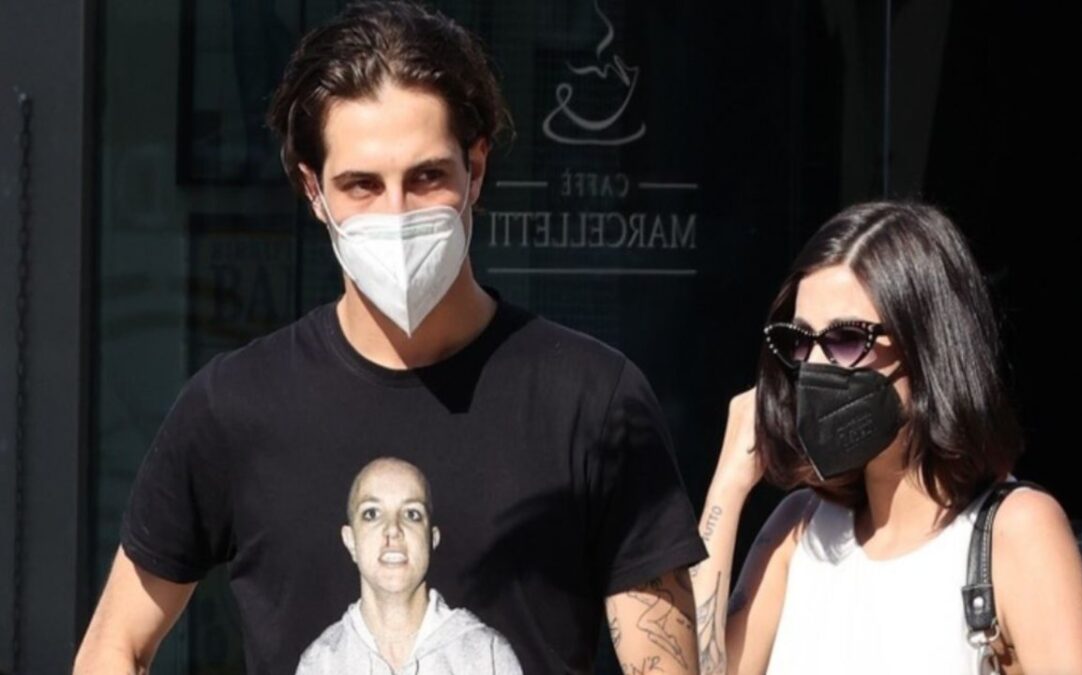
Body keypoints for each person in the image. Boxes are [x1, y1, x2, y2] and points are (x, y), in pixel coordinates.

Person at [74, 2, 705, 673]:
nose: (396, 213)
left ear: (476, 169)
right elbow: (115, 644)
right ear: (313, 189)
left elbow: (663, 663)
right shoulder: (234, 406)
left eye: (427, 177)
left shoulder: (592, 400)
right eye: (362, 185)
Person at [689, 202, 1082, 674]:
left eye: (846, 340)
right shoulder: (799, 527)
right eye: (801, 342)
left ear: (928, 346)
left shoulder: (1015, 531)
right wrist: (728, 486)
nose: (815, 367)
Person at [296, 457, 521, 674]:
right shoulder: (320, 663)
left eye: (412, 514)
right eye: (371, 513)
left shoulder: (488, 654)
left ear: (432, 539)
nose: (393, 529)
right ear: (351, 541)